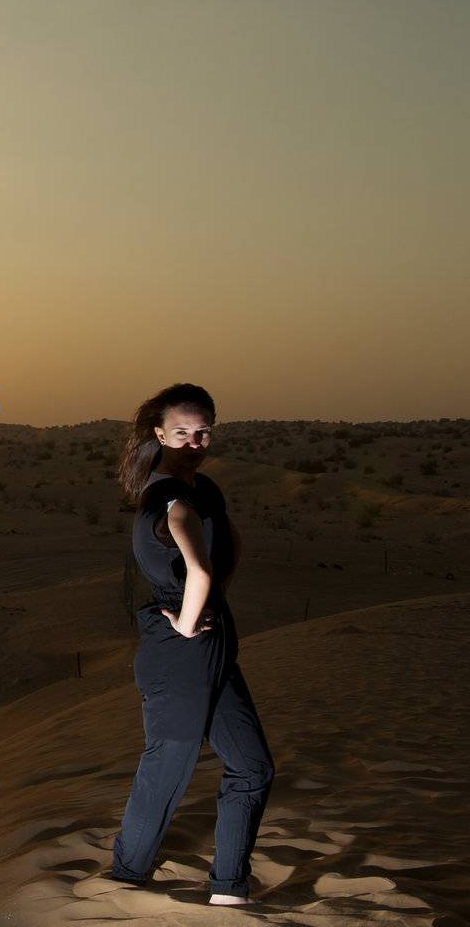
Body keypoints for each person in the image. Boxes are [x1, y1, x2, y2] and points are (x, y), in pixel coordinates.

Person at [106, 382, 275, 905]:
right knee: (168, 765)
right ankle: (126, 876)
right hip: (180, 646)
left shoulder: (204, 490)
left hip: (209, 638)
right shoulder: (170, 494)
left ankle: (228, 887)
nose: (193, 442)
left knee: (252, 765)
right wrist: (189, 617)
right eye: (181, 433)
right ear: (160, 434)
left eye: (203, 432)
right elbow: (198, 569)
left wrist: (208, 605)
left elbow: (231, 546)